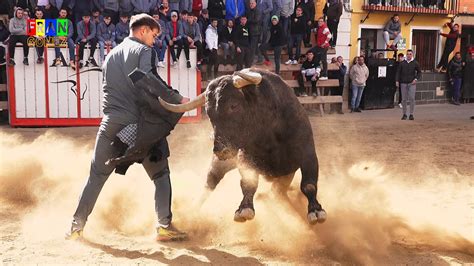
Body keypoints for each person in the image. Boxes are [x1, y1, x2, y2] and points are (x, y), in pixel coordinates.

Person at [66, 13, 189, 242]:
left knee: (95, 177)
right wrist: (177, 98)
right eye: (153, 35)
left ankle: (75, 228)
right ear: (143, 31)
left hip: (110, 126)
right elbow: (147, 78)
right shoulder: (144, 51)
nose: (154, 41)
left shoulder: (110, 55)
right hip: (138, 128)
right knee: (161, 174)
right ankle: (164, 226)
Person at [396, 49, 421, 120]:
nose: (409, 55)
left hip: (411, 83)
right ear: (406, 55)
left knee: (412, 98)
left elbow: (419, 72)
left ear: (412, 55)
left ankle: (411, 114)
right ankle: (404, 114)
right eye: (408, 54)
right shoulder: (402, 63)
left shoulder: (415, 63)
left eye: (410, 54)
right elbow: (398, 72)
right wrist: (397, 80)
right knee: (403, 99)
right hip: (403, 83)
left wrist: (416, 79)